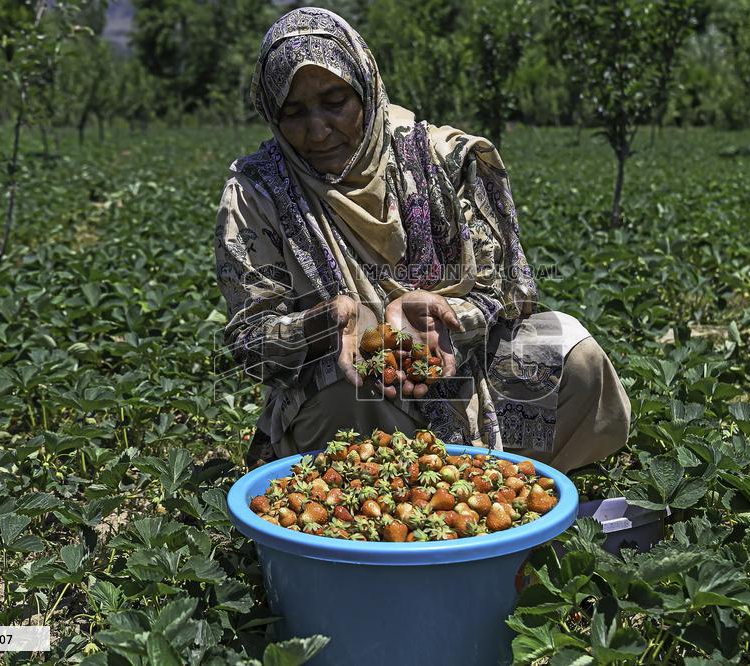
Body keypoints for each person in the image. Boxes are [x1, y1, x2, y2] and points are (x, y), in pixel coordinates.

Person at [214, 7, 630, 472]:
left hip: (464, 366)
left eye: (335, 102)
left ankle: (494, 489)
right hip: (353, 392)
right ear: (272, 114)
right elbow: (250, 343)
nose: (316, 130)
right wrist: (328, 324)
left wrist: (448, 320)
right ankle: (392, 515)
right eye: (293, 112)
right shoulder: (258, 192)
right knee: (349, 394)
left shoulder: (439, 159)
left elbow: (511, 290)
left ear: (365, 89)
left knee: (575, 358)